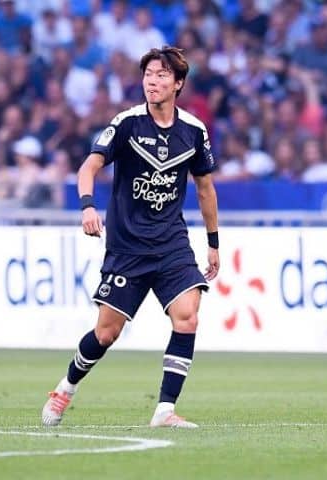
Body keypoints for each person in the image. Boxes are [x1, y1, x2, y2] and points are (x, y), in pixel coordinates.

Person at [41, 46, 220, 429]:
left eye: (161, 76)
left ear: (178, 84)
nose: (152, 82)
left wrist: (213, 243)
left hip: (171, 243)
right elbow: (88, 167)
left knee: (187, 318)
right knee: (106, 333)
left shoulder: (194, 131)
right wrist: (87, 206)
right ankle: (65, 388)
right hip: (127, 247)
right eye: (148, 75)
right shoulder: (126, 124)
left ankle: (165, 410)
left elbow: (205, 189)